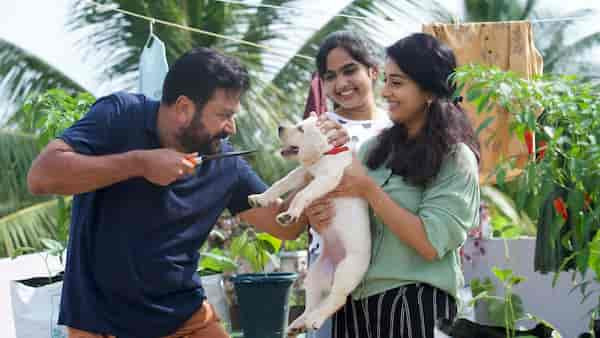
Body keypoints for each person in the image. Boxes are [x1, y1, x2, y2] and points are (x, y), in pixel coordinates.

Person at [27, 47, 348, 338]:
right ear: (183, 108)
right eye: (224, 115)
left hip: (185, 319)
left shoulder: (225, 163)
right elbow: (42, 176)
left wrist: (317, 166)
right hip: (102, 324)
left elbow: (284, 226)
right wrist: (139, 163)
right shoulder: (121, 116)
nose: (231, 127)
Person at [307, 33, 481, 338]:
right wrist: (322, 217)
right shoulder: (373, 150)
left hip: (414, 302)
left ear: (428, 89)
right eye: (386, 81)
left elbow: (430, 243)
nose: (385, 91)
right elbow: (350, 221)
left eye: (397, 83)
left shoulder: (455, 157)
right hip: (353, 304)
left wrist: (369, 191)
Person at [301, 30, 392, 338]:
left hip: (389, 263)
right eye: (330, 76)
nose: (341, 84)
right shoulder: (318, 130)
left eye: (350, 70)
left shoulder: (397, 128)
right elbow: (302, 195)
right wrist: (310, 212)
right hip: (332, 259)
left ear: (374, 71)